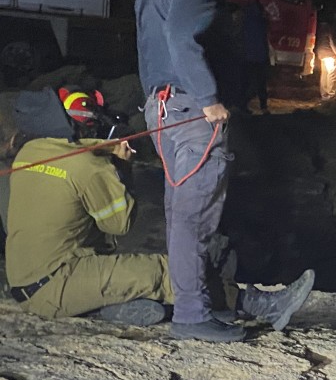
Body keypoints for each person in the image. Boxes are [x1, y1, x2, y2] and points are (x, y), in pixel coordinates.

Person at [135, 0, 314, 342]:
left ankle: (200, 306)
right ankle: (193, 316)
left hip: (162, 110)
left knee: (181, 213)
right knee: (194, 216)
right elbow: (183, 38)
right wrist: (209, 99)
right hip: (190, 111)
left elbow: (155, 44)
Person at [4, 85, 314, 336]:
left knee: (122, 266)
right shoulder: (88, 166)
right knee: (168, 271)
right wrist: (122, 168)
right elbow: (119, 224)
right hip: (56, 284)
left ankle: (104, 308)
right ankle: (260, 305)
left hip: (25, 282)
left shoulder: (28, 154)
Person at [241, 0, 270, 112]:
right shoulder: (261, 22)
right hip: (260, 57)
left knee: (248, 83)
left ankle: (244, 106)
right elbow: (264, 40)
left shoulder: (245, 20)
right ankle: (264, 107)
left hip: (248, 57)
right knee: (261, 83)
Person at [316, 7, 336, 100]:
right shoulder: (329, 29)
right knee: (332, 74)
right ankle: (331, 94)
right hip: (329, 53)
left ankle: (324, 94)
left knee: (324, 73)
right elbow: (332, 43)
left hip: (321, 53)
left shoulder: (319, 29)